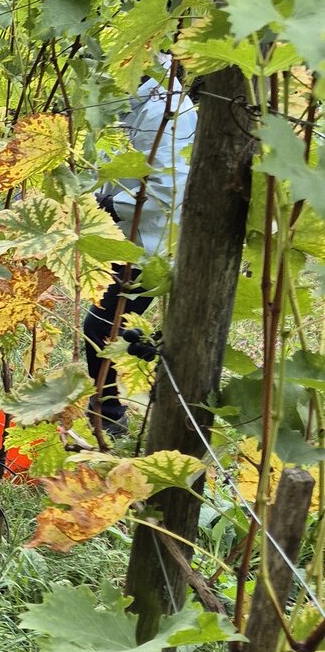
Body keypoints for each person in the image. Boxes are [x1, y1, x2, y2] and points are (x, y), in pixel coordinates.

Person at [84, 70, 197, 435]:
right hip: (133, 238)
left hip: (151, 246)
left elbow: (165, 191)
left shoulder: (164, 110)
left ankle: (110, 415)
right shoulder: (142, 100)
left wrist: (107, 204)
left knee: (101, 327)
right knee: (118, 327)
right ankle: (117, 399)